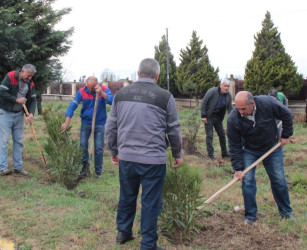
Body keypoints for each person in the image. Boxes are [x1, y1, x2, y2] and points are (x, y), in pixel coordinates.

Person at [105, 58, 183, 250]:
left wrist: (114, 151)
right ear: (157, 76)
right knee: (150, 202)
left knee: (127, 195)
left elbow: (111, 126)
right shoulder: (165, 96)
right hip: (153, 160)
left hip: (127, 158)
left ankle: (123, 232)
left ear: (138, 74)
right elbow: (173, 129)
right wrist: (177, 153)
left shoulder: (121, 94)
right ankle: (148, 244)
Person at [227, 91, 296, 226]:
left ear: (252, 104)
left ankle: (286, 212)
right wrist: (238, 168)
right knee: (247, 181)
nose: (240, 112)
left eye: (243, 108)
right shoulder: (233, 118)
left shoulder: (268, 103)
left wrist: (286, 134)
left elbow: (286, 114)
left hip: (272, 147)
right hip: (249, 150)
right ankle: (250, 216)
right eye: (237, 108)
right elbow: (234, 145)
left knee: (279, 180)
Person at [60, 76, 113, 178]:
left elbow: (111, 101)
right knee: (83, 146)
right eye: (89, 87)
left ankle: (98, 172)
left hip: (100, 123)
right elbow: (73, 105)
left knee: (98, 148)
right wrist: (67, 122)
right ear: (86, 85)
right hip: (86, 123)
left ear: (97, 84)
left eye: (92, 88)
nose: (90, 90)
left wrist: (101, 93)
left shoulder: (104, 89)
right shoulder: (82, 91)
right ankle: (84, 169)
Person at [0, 64, 37, 176]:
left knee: (19, 141)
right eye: (28, 75)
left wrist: (31, 113)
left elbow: (33, 100)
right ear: (22, 71)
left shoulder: (30, 83)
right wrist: (16, 99)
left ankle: (18, 167)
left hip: (19, 115)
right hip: (5, 113)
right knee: (4, 141)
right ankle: (3, 168)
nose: (29, 78)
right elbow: (2, 92)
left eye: (31, 76)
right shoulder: (10, 76)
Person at [200, 78, 233, 160]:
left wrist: (233, 119)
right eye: (225, 86)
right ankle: (210, 155)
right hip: (209, 116)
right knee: (210, 136)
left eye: (228, 86)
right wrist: (203, 116)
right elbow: (204, 103)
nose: (227, 88)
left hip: (218, 117)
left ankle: (224, 153)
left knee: (222, 134)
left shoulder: (228, 96)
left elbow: (230, 109)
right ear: (220, 85)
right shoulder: (212, 91)